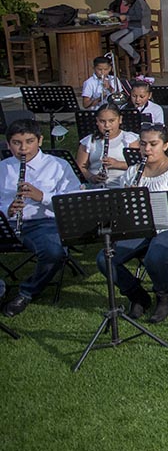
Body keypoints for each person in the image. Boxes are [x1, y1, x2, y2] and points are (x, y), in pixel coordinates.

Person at [98, 123, 168, 324]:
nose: (147, 149)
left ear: (166, 145)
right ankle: (137, 295)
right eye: (143, 144)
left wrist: (143, 201)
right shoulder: (133, 171)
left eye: (153, 144)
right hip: (141, 226)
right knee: (105, 258)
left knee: (155, 257)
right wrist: (127, 198)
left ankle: (165, 296)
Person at [1, 119, 81, 318]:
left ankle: (28, 292)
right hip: (7, 222)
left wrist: (42, 197)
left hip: (44, 223)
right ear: (8, 144)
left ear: (40, 140)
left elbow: (72, 204)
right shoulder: (3, 167)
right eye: (16, 143)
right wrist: (8, 209)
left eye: (29, 142)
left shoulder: (58, 166)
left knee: (54, 252)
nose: (23, 149)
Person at [75, 103, 140, 187]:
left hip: (123, 186)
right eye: (102, 121)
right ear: (97, 121)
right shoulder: (88, 141)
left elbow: (141, 165)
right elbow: (80, 167)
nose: (107, 125)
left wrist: (117, 164)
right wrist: (92, 177)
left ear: (120, 120)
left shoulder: (130, 139)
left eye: (111, 121)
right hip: (96, 188)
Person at [108, 0, 150, 70]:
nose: (123, 1)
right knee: (113, 37)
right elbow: (127, 14)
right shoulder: (133, 4)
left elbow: (139, 17)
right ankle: (129, 50)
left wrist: (126, 18)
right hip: (132, 27)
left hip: (141, 27)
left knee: (123, 42)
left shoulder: (139, 2)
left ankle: (136, 56)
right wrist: (114, 14)